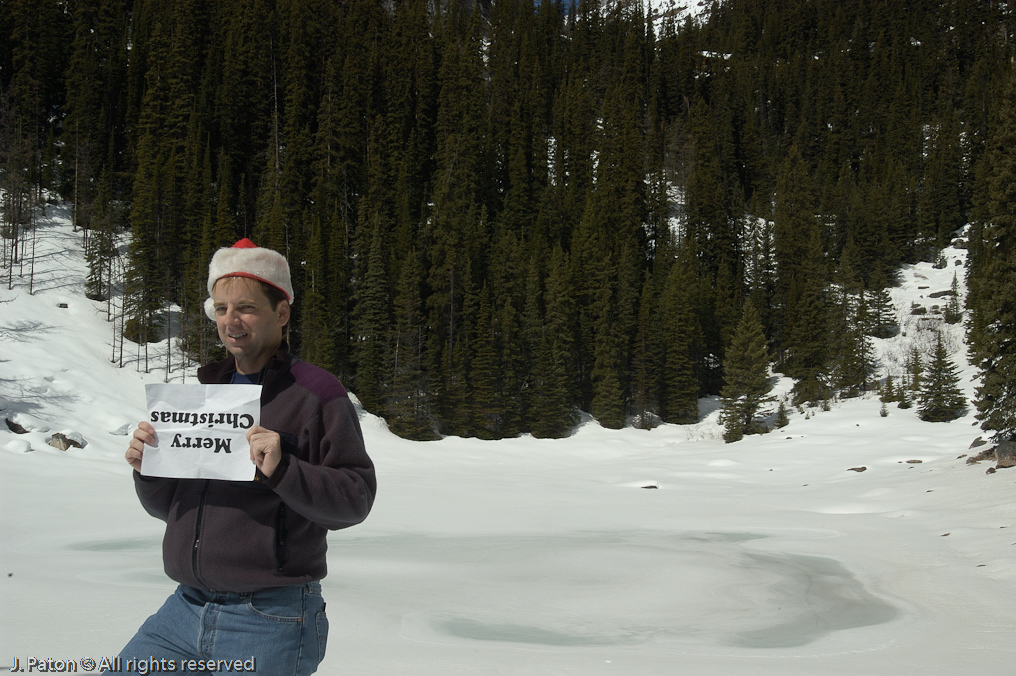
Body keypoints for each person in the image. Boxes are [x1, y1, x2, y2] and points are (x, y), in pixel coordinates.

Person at [117, 238, 376, 675]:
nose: (230, 321)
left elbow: (355, 499)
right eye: (220, 309)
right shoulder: (203, 397)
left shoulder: (317, 394)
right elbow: (170, 510)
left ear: (281, 312)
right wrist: (150, 470)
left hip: (267, 617)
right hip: (184, 609)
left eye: (245, 308)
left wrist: (284, 469)